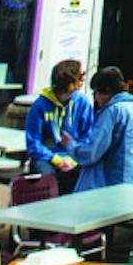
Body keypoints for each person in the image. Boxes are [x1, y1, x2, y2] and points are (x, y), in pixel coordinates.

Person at [72, 66, 133, 192]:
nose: (95, 99)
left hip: (119, 183)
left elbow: (93, 152)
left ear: (106, 90)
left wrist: (72, 147)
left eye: (96, 93)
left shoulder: (112, 110)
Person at [24, 59, 92, 193]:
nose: (82, 81)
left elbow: (88, 137)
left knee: (83, 179)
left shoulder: (82, 103)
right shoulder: (40, 105)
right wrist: (55, 159)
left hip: (74, 157)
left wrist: (73, 158)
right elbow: (33, 144)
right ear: (69, 83)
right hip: (46, 157)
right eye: (79, 77)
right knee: (47, 182)